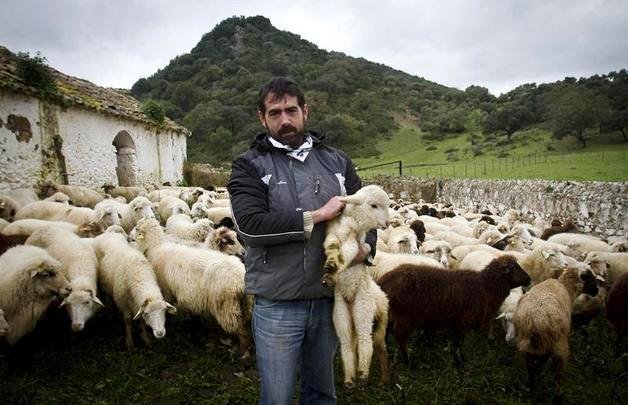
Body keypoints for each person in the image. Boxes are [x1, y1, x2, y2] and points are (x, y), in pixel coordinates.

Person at [227, 77, 376, 405]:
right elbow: (250, 229)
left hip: (328, 298)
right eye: (275, 112)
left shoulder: (337, 162)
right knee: (277, 397)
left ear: (305, 111)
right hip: (278, 300)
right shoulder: (249, 165)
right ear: (262, 117)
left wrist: (366, 249)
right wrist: (318, 215)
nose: (285, 120)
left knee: (322, 392)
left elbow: (366, 214)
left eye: (291, 110)